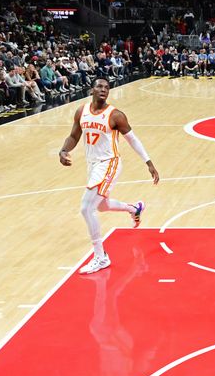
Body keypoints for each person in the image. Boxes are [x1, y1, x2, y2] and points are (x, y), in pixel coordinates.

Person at [58, 78, 160, 274]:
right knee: (101, 206)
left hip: (109, 163)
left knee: (87, 208)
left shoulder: (116, 115)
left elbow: (133, 140)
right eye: (99, 86)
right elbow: (73, 136)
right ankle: (134, 208)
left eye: (106, 87)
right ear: (92, 90)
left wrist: (149, 162)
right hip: (93, 165)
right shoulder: (82, 111)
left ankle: (100, 256)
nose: (103, 89)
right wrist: (63, 150)